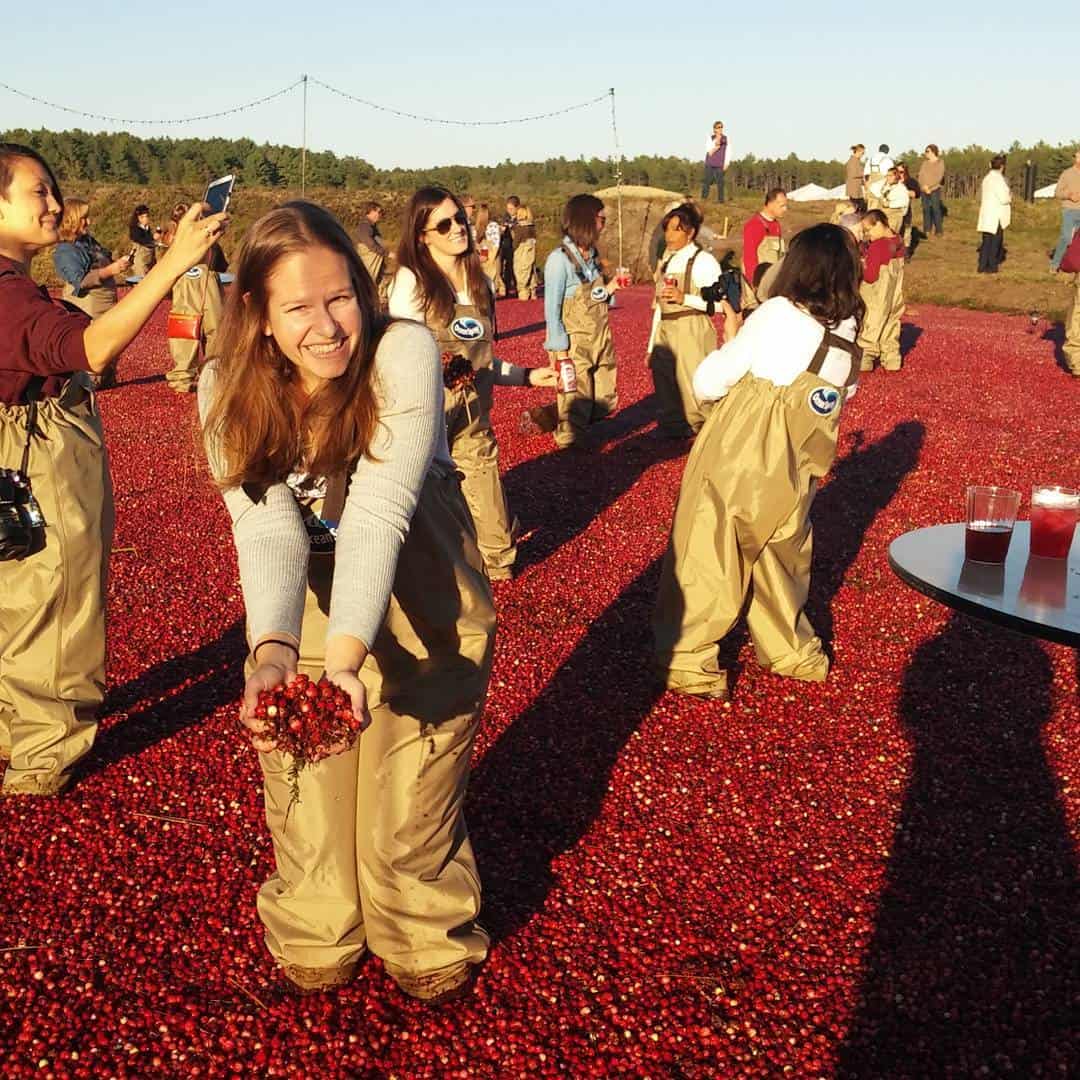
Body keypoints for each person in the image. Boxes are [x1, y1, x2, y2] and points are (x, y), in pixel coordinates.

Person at [199, 200, 494, 1002]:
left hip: (424, 585)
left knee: (411, 781)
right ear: (257, 313)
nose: (328, 326)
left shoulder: (402, 351)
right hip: (319, 593)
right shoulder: (223, 385)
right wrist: (275, 654)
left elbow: (379, 511)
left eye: (341, 298)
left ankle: (423, 928)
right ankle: (318, 920)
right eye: (298, 307)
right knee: (308, 782)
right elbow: (266, 533)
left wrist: (347, 659)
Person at [0, 142, 226, 797]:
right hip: (38, 451)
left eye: (53, 189)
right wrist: (176, 262)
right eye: (36, 191)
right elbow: (91, 347)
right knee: (59, 593)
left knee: (20, 592)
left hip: (19, 447)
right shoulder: (8, 295)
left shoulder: (17, 286)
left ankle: (18, 728)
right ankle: (43, 756)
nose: (54, 203)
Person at [653, 223, 864, 701]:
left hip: (742, 447)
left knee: (710, 546)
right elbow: (834, 395)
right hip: (799, 462)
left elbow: (711, 381)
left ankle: (690, 658)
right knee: (779, 553)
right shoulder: (849, 339)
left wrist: (733, 336)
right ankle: (792, 652)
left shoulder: (776, 315)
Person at [389, 186, 555, 580]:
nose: (456, 229)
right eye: (442, 225)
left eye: (459, 220)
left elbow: (484, 360)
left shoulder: (479, 285)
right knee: (423, 491)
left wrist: (528, 377)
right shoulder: (412, 283)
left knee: (483, 479)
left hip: (474, 410)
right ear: (422, 236)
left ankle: (498, 562)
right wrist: (436, 370)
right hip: (426, 409)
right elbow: (397, 355)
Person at [542, 193, 621, 449]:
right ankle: (568, 444)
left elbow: (596, 295)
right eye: (601, 219)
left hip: (599, 335)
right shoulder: (559, 259)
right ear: (586, 220)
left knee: (605, 395)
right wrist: (559, 347)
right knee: (575, 394)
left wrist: (611, 289)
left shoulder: (592, 256)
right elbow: (551, 306)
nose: (603, 224)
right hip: (574, 340)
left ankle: (558, 418)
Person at [648, 203, 724, 438]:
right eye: (667, 230)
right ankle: (672, 427)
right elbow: (658, 308)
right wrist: (651, 344)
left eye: (675, 230)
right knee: (665, 379)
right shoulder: (669, 261)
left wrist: (686, 298)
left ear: (690, 233)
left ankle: (705, 431)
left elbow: (721, 304)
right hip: (666, 327)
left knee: (694, 384)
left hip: (692, 326)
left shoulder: (704, 262)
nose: (669, 236)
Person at [52, 198, 131, 390]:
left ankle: (106, 379)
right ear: (71, 220)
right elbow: (81, 281)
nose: (88, 222)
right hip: (88, 304)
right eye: (83, 218)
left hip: (105, 300)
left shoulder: (88, 242)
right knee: (93, 344)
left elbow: (104, 260)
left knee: (112, 339)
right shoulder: (65, 250)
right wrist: (112, 270)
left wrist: (119, 263)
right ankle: (88, 385)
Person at [161, 202, 227, 394]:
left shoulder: (210, 242)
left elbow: (221, 264)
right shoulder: (176, 240)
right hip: (186, 283)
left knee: (216, 325)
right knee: (184, 328)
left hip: (209, 280)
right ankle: (182, 375)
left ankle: (215, 373)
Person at [857, 209, 905, 371]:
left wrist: (861, 266)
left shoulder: (877, 246)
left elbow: (870, 276)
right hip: (894, 291)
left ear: (878, 223)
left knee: (872, 320)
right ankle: (892, 358)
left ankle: (866, 356)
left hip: (876, 291)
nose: (868, 235)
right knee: (891, 321)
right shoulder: (898, 240)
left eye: (869, 230)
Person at [740, 188, 788, 313]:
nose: (785, 209)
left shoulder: (776, 225)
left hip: (773, 285)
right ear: (770, 203)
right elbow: (749, 258)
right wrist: (755, 286)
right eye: (782, 205)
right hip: (757, 289)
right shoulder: (754, 225)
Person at [977, 154, 1011, 274]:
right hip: (996, 216)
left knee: (986, 242)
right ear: (1002, 166)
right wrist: (1010, 196)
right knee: (995, 242)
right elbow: (1004, 198)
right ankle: (992, 266)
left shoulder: (986, 178)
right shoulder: (999, 180)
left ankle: (982, 265)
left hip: (987, 214)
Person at [1050, 148, 1080, 272]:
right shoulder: (1067, 173)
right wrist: (1069, 195)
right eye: (1078, 157)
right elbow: (1057, 192)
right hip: (1069, 210)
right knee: (1066, 238)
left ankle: (1074, 265)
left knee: (1077, 243)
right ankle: (1054, 265)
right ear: (1075, 159)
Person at [354, 200, 388, 307]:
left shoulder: (372, 227)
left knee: (379, 281)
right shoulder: (364, 227)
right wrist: (386, 253)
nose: (380, 214)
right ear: (371, 212)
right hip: (369, 261)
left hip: (376, 261)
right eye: (378, 211)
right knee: (367, 282)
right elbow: (370, 245)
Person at [511, 202, 537, 301]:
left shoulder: (520, 228)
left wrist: (513, 248)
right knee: (530, 269)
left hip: (521, 250)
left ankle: (523, 292)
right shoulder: (531, 226)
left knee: (520, 270)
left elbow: (516, 242)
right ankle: (533, 290)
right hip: (531, 248)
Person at [917, 145, 945, 237]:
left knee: (936, 209)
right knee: (926, 209)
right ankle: (927, 229)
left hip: (934, 189)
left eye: (927, 151)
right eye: (925, 151)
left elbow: (939, 177)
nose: (926, 153)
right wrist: (923, 186)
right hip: (924, 189)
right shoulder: (925, 163)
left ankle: (939, 230)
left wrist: (929, 187)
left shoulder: (940, 163)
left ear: (933, 152)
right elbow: (920, 175)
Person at [474, 203, 502, 294]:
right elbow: (495, 243)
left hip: (484, 254)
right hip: (489, 255)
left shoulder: (477, 228)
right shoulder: (493, 225)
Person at [128, 203, 158, 276]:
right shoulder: (135, 229)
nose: (146, 218)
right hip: (141, 261)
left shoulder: (147, 228)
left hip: (150, 259)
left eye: (147, 216)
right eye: (143, 217)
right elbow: (141, 240)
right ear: (138, 218)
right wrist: (153, 239)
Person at [702, 121, 728, 202]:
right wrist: (716, 146)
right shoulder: (710, 138)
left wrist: (726, 163)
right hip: (710, 163)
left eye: (721, 127)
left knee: (720, 183)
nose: (720, 129)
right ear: (714, 129)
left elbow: (728, 151)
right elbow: (709, 152)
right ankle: (703, 199)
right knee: (707, 181)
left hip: (720, 164)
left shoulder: (725, 138)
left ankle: (721, 201)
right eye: (718, 127)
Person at [863, 144, 894, 210]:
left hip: (870, 185)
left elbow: (866, 174)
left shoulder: (870, 159)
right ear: (887, 151)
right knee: (881, 206)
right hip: (882, 185)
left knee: (871, 206)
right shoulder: (888, 159)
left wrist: (866, 186)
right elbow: (892, 174)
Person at [499, 197, 518, 298]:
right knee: (505, 268)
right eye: (508, 209)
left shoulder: (520, 218)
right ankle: (506, 289)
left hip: (515, 246)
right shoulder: (505, 217)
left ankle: (518, 288)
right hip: (505, 245)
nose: (509, 211)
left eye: (511, 209)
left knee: (515, 268)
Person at [845, 145, 865, 210]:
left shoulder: (857, 161)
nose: (863, 155)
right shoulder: (852, 161)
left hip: (857, 187)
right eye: (862, 153)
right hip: (853, 188)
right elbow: (853, 174)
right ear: (858, 151)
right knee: (857, 207)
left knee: (860, 206)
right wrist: (864, 174)